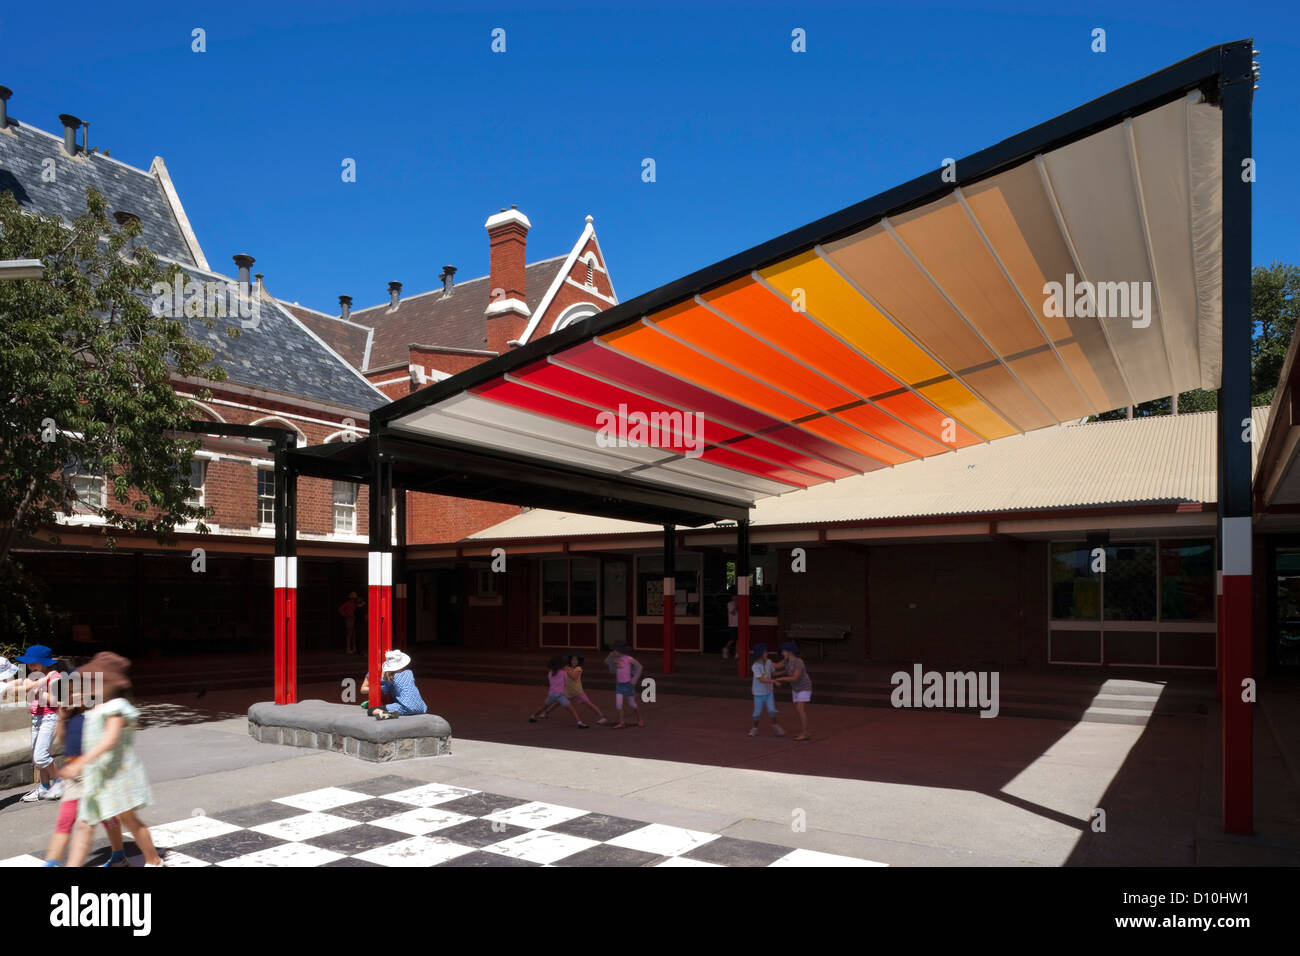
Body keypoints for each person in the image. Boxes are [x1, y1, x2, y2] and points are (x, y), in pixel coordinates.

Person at [63, 653, 165, 868]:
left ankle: (154, 861)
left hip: (118, 776)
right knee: (92, 821)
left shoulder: (117, 707)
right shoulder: (97, 705)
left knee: (129, 820)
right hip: (99, 775)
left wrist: (81, 762)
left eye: (92, 681)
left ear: (109, 683)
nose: (87, 685)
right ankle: (105, 859)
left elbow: (109, 740)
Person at [42, 670, 127, 867]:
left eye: (76, 692)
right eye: (68, 693)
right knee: (65, 819)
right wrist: (62, 717)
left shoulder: (100, 711)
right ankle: (51, 862)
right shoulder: (69, 714)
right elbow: (63, 741)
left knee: (108, 818)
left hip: (96, 773)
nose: (73, 697)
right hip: (74, 775)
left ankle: (118, 855)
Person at [7, 645, 66, 802]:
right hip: (37, 719)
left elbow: (56, 701)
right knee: (37, 757)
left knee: (41, 756)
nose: (30, 665)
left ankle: (60, 782)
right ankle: (44, 788)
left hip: (50, 718)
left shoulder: (55, 677)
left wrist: (40, 690)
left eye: (34, 662)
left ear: (45, 663)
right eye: (29, 662)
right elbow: (22, 686)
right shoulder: (34, 676)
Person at [362, 649, 426, 719]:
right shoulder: (409, 673)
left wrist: (382, 674)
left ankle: (387, 714)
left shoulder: (390, 678)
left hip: (405, 707)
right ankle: (389, 714)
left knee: (371, 710)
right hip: (421, 708)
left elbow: (384, 690)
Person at [529, 655, 588, 728]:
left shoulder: (550, 673)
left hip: (551, 694)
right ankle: (579, 722)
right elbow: (566, 683)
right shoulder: (563, 673)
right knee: (572, 709)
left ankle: (533, 716)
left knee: (544, 707)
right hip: (560, 695)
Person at [773, 642, 812, 741]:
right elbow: (777, 666)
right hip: (796, 689)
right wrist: (764, 660)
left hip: (804, 687)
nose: (782, 653)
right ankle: (805, 731)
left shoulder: (798, 662)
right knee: (799, 709)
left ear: (789, 652)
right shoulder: (786, 661)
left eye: (783, 651)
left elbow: (795, 678)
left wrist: (781, 679)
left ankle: (805, 733)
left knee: (800, 709)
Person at [605, 643, 644, 729]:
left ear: (620, 651)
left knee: (632, 704)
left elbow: (639, 667)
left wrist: (634, 680)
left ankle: (640, 719)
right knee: (619, 704)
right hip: (619, 685)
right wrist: (612, 655)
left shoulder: (629, 658)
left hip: (628, 685)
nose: (613, 652)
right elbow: (607, 661)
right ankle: (622, 722)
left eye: (614, 650)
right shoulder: (615, 659)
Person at [749, 643, 783, 737]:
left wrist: (785, 671)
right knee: (757, 713)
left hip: (768, 692)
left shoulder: (768, 662)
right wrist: (774, 682)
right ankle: (754, 729)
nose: (767, 653)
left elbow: (774, 672)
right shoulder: (755, 666)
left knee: (772, 710)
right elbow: (761, 679)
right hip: (758, 693)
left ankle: (776, 726)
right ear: (761, 654)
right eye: (765, 652)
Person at [564, 654, 608, 725]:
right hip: (568, 691)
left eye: (576, 660)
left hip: (577, 691)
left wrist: (567, 670)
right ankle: (546, 712)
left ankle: (603, 717)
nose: (574, 661)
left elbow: (574, 677)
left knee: (589, 704)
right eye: (572, 660)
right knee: (558, 701)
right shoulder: (568, 667)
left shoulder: (578, 668)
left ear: (579, 661)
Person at [339, 591, 366, 655]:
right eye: (352, 598)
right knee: (349, 634)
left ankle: (354, 648)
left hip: (355, 620)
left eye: (354, 598)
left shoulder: (356, 604)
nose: (353, 599)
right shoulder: (347, 603)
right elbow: (340, 609)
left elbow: (363, 605)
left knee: (354, 635)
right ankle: (348, 648)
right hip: (349, 620)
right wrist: (346, 615)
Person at [722, 590, 738, 659]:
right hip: (733, 624)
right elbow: (733, 613)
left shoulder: (741, 603)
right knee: (732, 639)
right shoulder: (730, 604)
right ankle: (725, 649)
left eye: (736, 596)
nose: (735, 597)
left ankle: (737, 653)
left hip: (739, 624)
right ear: (731, 597)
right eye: (734, 596)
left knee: (738, 640)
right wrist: (737, 606)